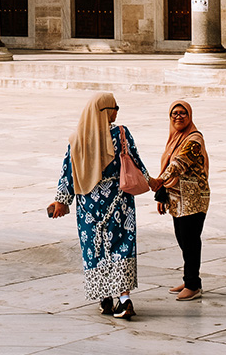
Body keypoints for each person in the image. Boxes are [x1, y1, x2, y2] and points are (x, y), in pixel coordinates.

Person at [48, 91, 151, 320]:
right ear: (104, 111)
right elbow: (134, 161)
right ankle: (124, 300)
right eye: (115, 107)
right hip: (119, 202)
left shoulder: (77, 139)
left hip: (88, 207)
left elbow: (68, 172)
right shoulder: (121, 134)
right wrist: (150, 181)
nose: (116, 112)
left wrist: (61, 201)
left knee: (94, 249)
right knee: (122, 245)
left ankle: (105, 298)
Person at [152, 100, 210, 301]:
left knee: (191, 241)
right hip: (178, 200)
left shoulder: (194, 139)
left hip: (194, 199)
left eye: (183, 113)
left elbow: (177, 164)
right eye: (174, 113)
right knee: (183, 240)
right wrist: (162, 195)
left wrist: (156, 182)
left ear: (190, 116)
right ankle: (190, 279)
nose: (178, 116)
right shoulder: (175, 138)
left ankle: (193, 285)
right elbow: (168, 164)